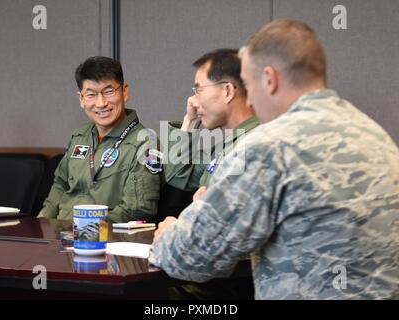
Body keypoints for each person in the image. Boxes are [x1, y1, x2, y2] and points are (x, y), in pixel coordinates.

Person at [149, 20, 399, 299]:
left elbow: (188, 258)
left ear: (269, 79)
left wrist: (173, 231)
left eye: (250, 85)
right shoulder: (375, 136)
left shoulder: (269, 147)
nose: (251, 100)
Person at [38, 56, 162, 222]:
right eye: (91, 94)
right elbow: (60, 185)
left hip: (105, 239)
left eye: (109, 92)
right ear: (81, 99)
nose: (101, 103)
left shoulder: (146, 142)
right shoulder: (79, 136)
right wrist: (42, 223)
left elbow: (138, 209)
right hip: (61, 234)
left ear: (125, 92)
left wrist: (87, 229)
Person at [164, 48, 259, 205]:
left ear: (227, 91)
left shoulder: (252, 144)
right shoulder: (227, 145)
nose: (192, 101)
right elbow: (178, 176)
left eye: (198, 90)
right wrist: (190, 121)